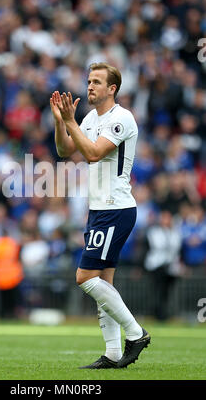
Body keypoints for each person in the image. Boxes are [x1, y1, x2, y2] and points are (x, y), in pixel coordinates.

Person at [50, 62, 151, 369]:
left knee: (85, 277)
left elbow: (93, 153)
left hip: (115, 208)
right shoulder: (92, 117)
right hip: (99, 209)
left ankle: (136, 333)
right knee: (103, 283)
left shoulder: (121, 118)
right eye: (89, 80)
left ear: (112, 89)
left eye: (96, 81)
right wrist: (61, 122)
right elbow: (65, 150)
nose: (89, 85)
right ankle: (112, 353)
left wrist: (72, 122)